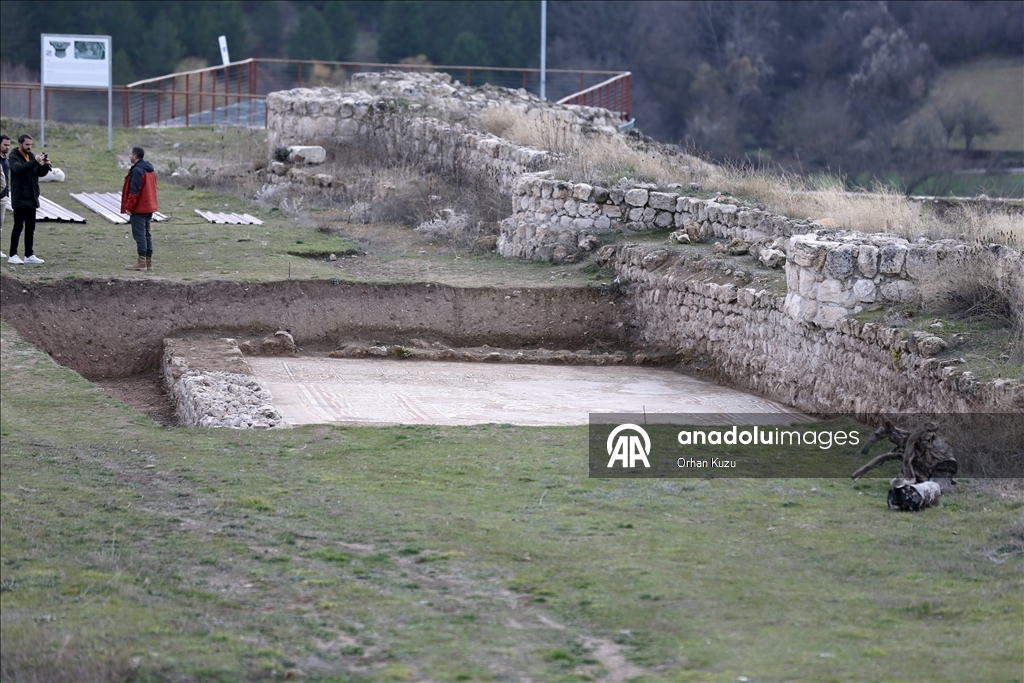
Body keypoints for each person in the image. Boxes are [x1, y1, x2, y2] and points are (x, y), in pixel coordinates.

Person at [7, 134, 50, 265]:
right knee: (18, 226)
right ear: (20, 144)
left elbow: (39, 172)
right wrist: (35, 161)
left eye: (30, 144)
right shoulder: (13, 156)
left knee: (30, 227)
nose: (29, 147)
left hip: (32, 198)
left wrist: (46, 165)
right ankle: (13, 254)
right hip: (20, 198)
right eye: (27, 144)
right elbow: (19, 169)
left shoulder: (30, 156)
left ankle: (29, 254)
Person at [120, 146, 158, 271]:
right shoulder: (149, 169)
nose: (129, 156)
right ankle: (148, 263)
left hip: (139, 207)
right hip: (149, 206)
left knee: (139, 235)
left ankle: (141, 263)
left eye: (130, 154)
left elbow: (134, 191)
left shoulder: (137, 170)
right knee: (147, 234)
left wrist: (129, 207)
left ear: (135, 156)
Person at [0, 135, 10, 259]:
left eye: (8, 145)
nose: (7, 147)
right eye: (5, 145)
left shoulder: (5, 158)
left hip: (3, 196)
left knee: (0, 224)